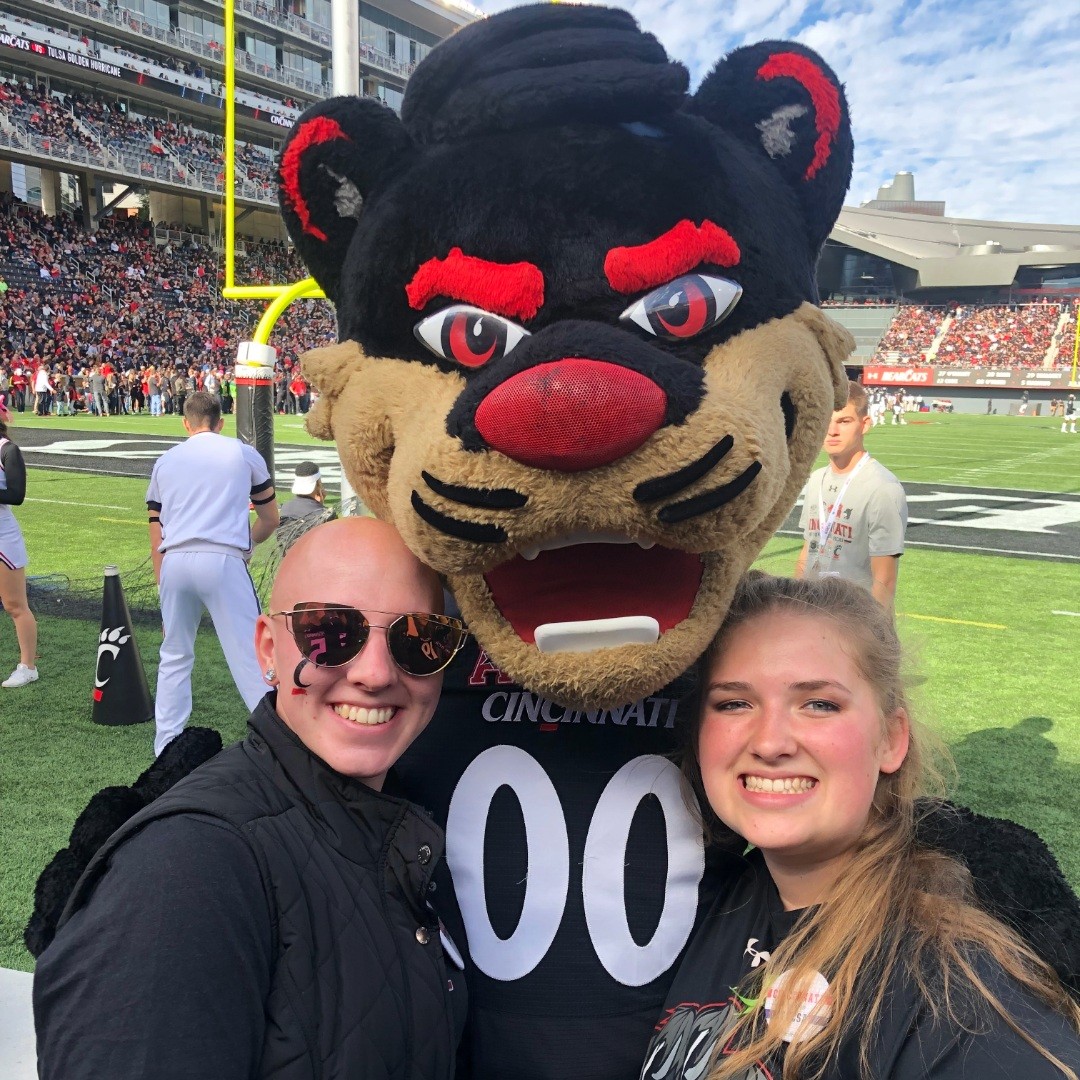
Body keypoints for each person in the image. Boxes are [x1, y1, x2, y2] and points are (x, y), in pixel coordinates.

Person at [33, 518, 469, 1079]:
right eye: (331, 633)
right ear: (268, 648)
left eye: (419, 640)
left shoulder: (386, 826)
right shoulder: (188, 868)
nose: (376, 673)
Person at [643, 572, 1080, 1080]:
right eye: (734, 703)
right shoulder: (712, 899)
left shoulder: (953, 991)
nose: (769, 742)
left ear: (891, 739)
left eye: (819, 703)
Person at [146, 391, 279, 755]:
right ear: (221, 423)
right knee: (252, 655)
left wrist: (163, 589)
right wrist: (246, 547)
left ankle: (165, 748)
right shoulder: (242, 452)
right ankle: (278, 744)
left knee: (174, 655)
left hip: (174, 561)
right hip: (222, 560)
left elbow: (154, 527)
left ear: (186, 424)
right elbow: (271, 519)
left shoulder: (166, 460)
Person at [795, 380, 907, 612]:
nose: (832, 431)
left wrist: (872, 638)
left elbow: (884, 580)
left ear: (864, 424)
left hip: (854, 621)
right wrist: (795, 607)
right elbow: (809, 548)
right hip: (813, 615)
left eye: (844, 421)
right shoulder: (817, 478)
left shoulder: (882, 487)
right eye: (826, 420)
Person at [0, 401, 38, 687]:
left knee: (14, 604)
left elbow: (16, 494)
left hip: (3, 535)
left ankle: (28, 666)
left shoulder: (8, 450)